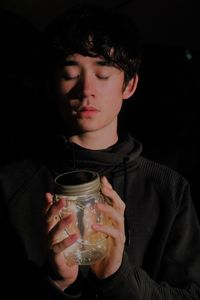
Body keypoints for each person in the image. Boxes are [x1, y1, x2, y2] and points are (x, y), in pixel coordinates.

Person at [0, 4, 200, 299]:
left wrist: (118, 277)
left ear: (129, 85)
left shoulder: (169, 189)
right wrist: (55, 282)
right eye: (70, 73)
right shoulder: (11, 183)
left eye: (103, 75)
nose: (86, 89)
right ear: (53, 85)